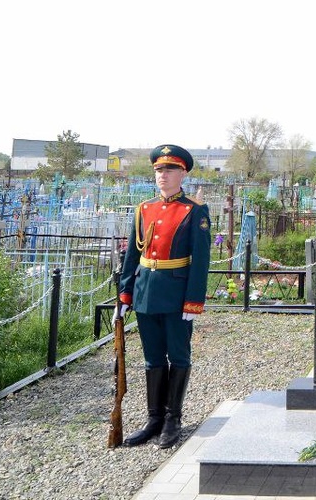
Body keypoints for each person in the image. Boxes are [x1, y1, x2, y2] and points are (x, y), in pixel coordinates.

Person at [116, 144, 211, 448]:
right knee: (152, 358)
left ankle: (173, 418)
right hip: (145, 293)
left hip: (176, 294)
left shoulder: (194, 211)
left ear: (183, 173)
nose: (163, 175)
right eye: (159, 170)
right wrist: (125, 293)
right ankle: (153, 419)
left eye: (169, 170)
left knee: (179, 356)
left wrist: (194, 301)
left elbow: (201, 260)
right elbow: (132, 254)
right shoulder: (144, 209)